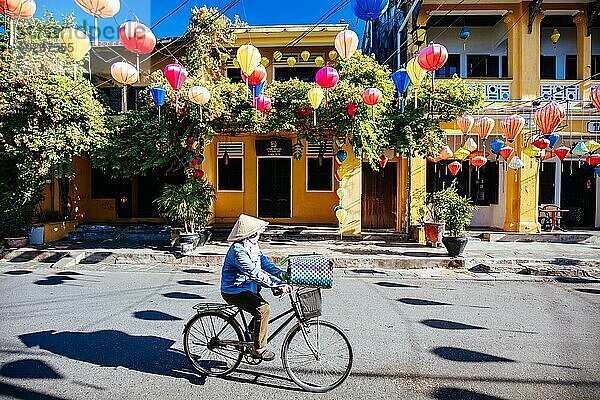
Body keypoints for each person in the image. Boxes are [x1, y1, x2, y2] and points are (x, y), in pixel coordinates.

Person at [220, 214, 292, 361]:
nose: (258, 235)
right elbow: (254, 273)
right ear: (249, 234)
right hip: (234, 290)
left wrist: (283, 276)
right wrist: (277, 284)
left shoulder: (252, 246)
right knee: (263, 309)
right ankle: (258, 349)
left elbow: (265, 264)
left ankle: (251, 335)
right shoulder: (238, 250)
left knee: (261, 311)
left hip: (249, 288)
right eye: (256, 233)